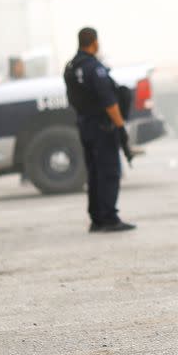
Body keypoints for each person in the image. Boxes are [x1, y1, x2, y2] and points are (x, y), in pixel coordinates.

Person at [63, 27, 135, 233]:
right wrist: (121, 127)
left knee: (94, 172)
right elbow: (109, 102)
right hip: (103, 126)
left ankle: (96, 219)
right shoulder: (94, 68)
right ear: (94, 42)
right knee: (110, 172)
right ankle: (110, 218)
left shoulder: (70, 67)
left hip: (84, 126)